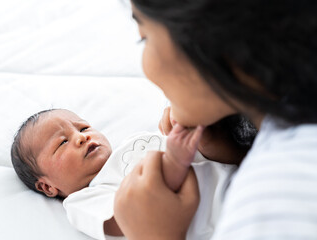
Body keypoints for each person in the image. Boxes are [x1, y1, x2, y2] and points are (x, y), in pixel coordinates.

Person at [113, 0, 317, 239]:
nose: (145, 68)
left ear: (206, 35)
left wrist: (154, 234)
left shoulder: (269, 204)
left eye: (144, 38)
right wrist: (236, 154)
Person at [11, 108, 238, 240]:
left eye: (83, 128)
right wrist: (174, 162)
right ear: (47, 187)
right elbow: (129, 220)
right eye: (62, 143)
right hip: (229, 215)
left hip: (240, 172)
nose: (81, 137)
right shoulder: (83, 199)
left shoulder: (133, 143)